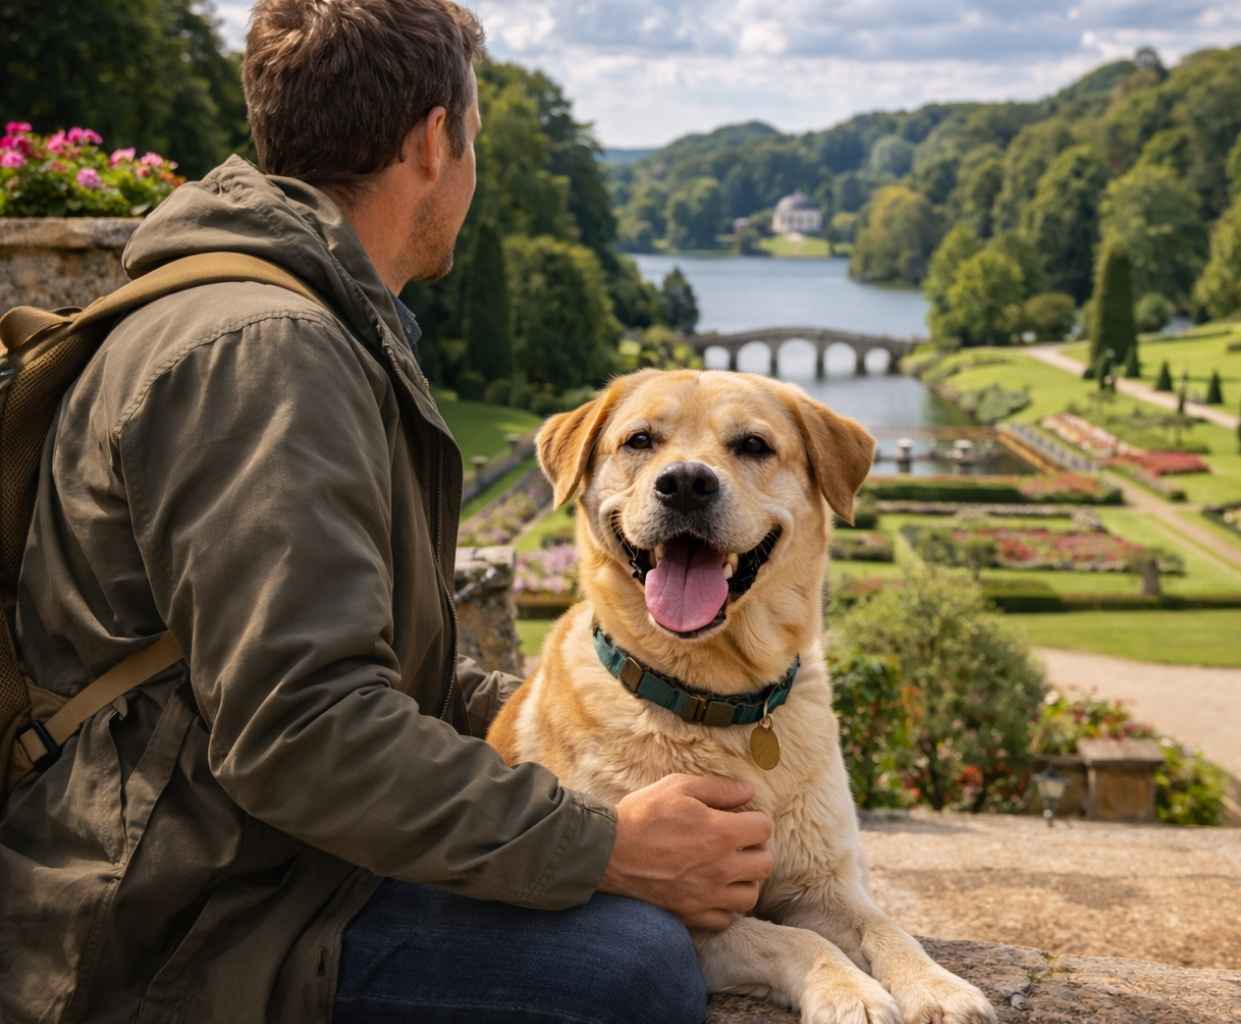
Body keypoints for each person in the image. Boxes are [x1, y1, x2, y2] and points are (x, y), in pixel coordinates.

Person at [0, 1, 773, 1021]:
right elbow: (304, 725)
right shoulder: (268, 352)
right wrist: (607, 844)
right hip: (174, 918)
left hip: (246, 852)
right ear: (433, 139)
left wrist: (587, 719)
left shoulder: (292, 320)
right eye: (477, 140)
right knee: (628, 966)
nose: (473, 171)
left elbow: (358, 662)